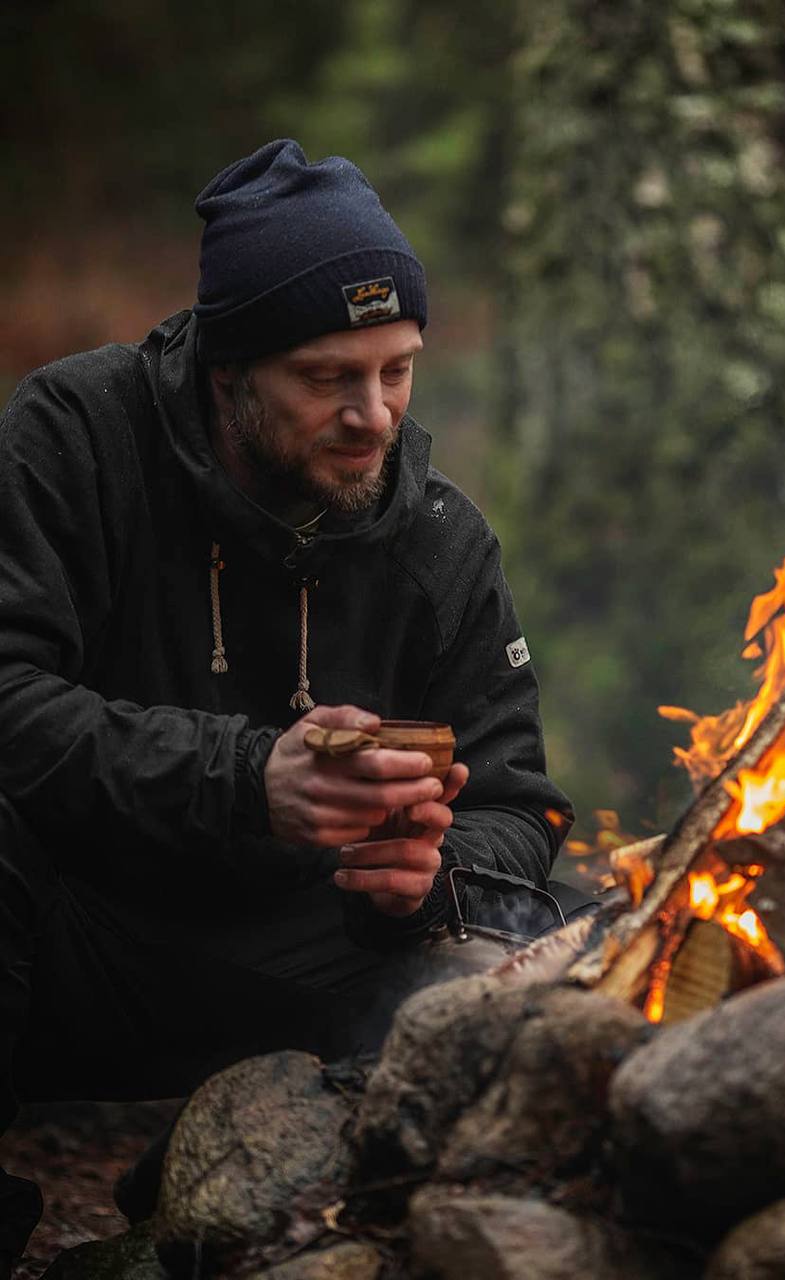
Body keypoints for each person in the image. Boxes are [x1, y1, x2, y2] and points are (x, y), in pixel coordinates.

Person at [0, 139, 574, 1266]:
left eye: (397, 370)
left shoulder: (443, 540)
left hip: (308, 970)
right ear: (230, 369)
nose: (374, 415)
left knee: (573, 924)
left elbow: (521, 809)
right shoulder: (76, 438)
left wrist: (429, 869)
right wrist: (243, 777)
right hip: (74, 939)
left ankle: (336, 1206)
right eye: (328, 377)